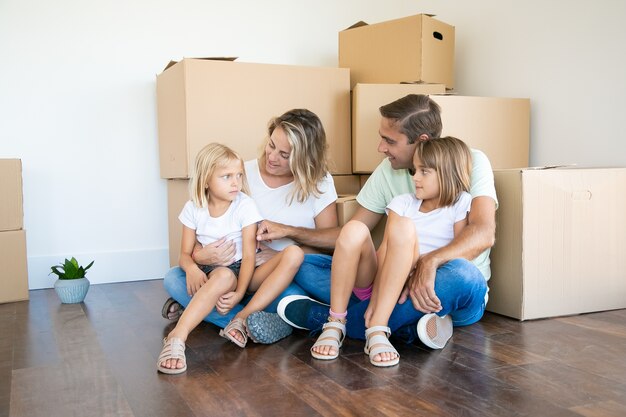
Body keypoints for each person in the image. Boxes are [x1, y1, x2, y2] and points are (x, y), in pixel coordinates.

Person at [259, 94, 497, 357]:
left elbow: (483, 233)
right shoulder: (389, 173)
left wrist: (429, 263)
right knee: (299, 264)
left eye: (390, 141)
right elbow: (351, 233)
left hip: (443, 281)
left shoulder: (468, 161)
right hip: (390, 278)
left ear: (422, 142)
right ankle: (408, 326)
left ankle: (324, 319)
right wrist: (289, 232)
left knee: (462, 276)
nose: (380, 147)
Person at [160, 109, 338, 360]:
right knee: (173, 279)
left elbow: (331, 244)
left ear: (304, 159)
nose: (272, 157)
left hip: (280, 274)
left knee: (291, 290)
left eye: (284, 155)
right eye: (271, 145)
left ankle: (212, 311)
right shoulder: (239, 173)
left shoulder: (319, 182)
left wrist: (287, 233)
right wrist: (200, 256)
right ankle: (260, 322)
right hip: (228, 272)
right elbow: (201, 238)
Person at [310, 136, 473, 367]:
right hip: (381, 279)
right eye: (414, 171)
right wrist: (376, 301)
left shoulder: (461, 203)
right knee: (354, 229)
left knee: (459, 274)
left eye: (424, 172)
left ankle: (380, 328)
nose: (415, 177)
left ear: (448, 173)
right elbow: (387, 248)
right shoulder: (403, 203)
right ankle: (336, 322)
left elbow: (457, 254)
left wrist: (416, 271)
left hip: (419, 285)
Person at [157, 143, 307, 374]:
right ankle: (178, 336)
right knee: (196, 277)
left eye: (238, 175)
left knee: (295, 253)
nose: (236, 182)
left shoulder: (245, 205)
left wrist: (239, 292)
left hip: (246, 272)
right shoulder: (193, 208)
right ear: (206, 179)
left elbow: (248, 256)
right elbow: (185, 255)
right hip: (213, 272)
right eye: (227, 177)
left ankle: (238, 317)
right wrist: (193, 270)